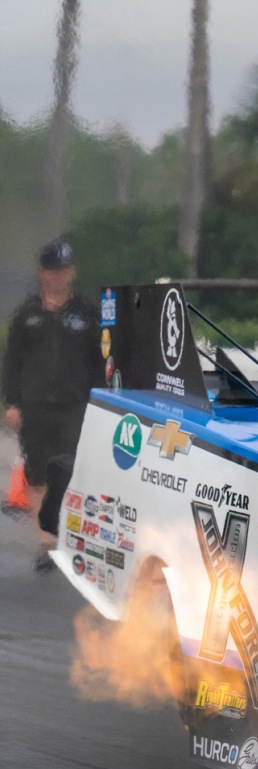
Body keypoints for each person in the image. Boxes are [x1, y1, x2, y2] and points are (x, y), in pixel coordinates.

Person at [2, 241, 101, 571]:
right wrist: (12, 403)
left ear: (71, 273)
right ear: (41, 273)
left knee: (70, 471)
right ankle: (48, 542)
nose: (58, 277)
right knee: (39, 473)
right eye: (52, 271)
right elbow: (13, 361)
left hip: (75, 405)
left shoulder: (87, 316)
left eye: (64, 270)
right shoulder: (27, 316)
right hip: (35, 405)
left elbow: (100, 362)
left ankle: (73, 536)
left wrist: (100, 403)